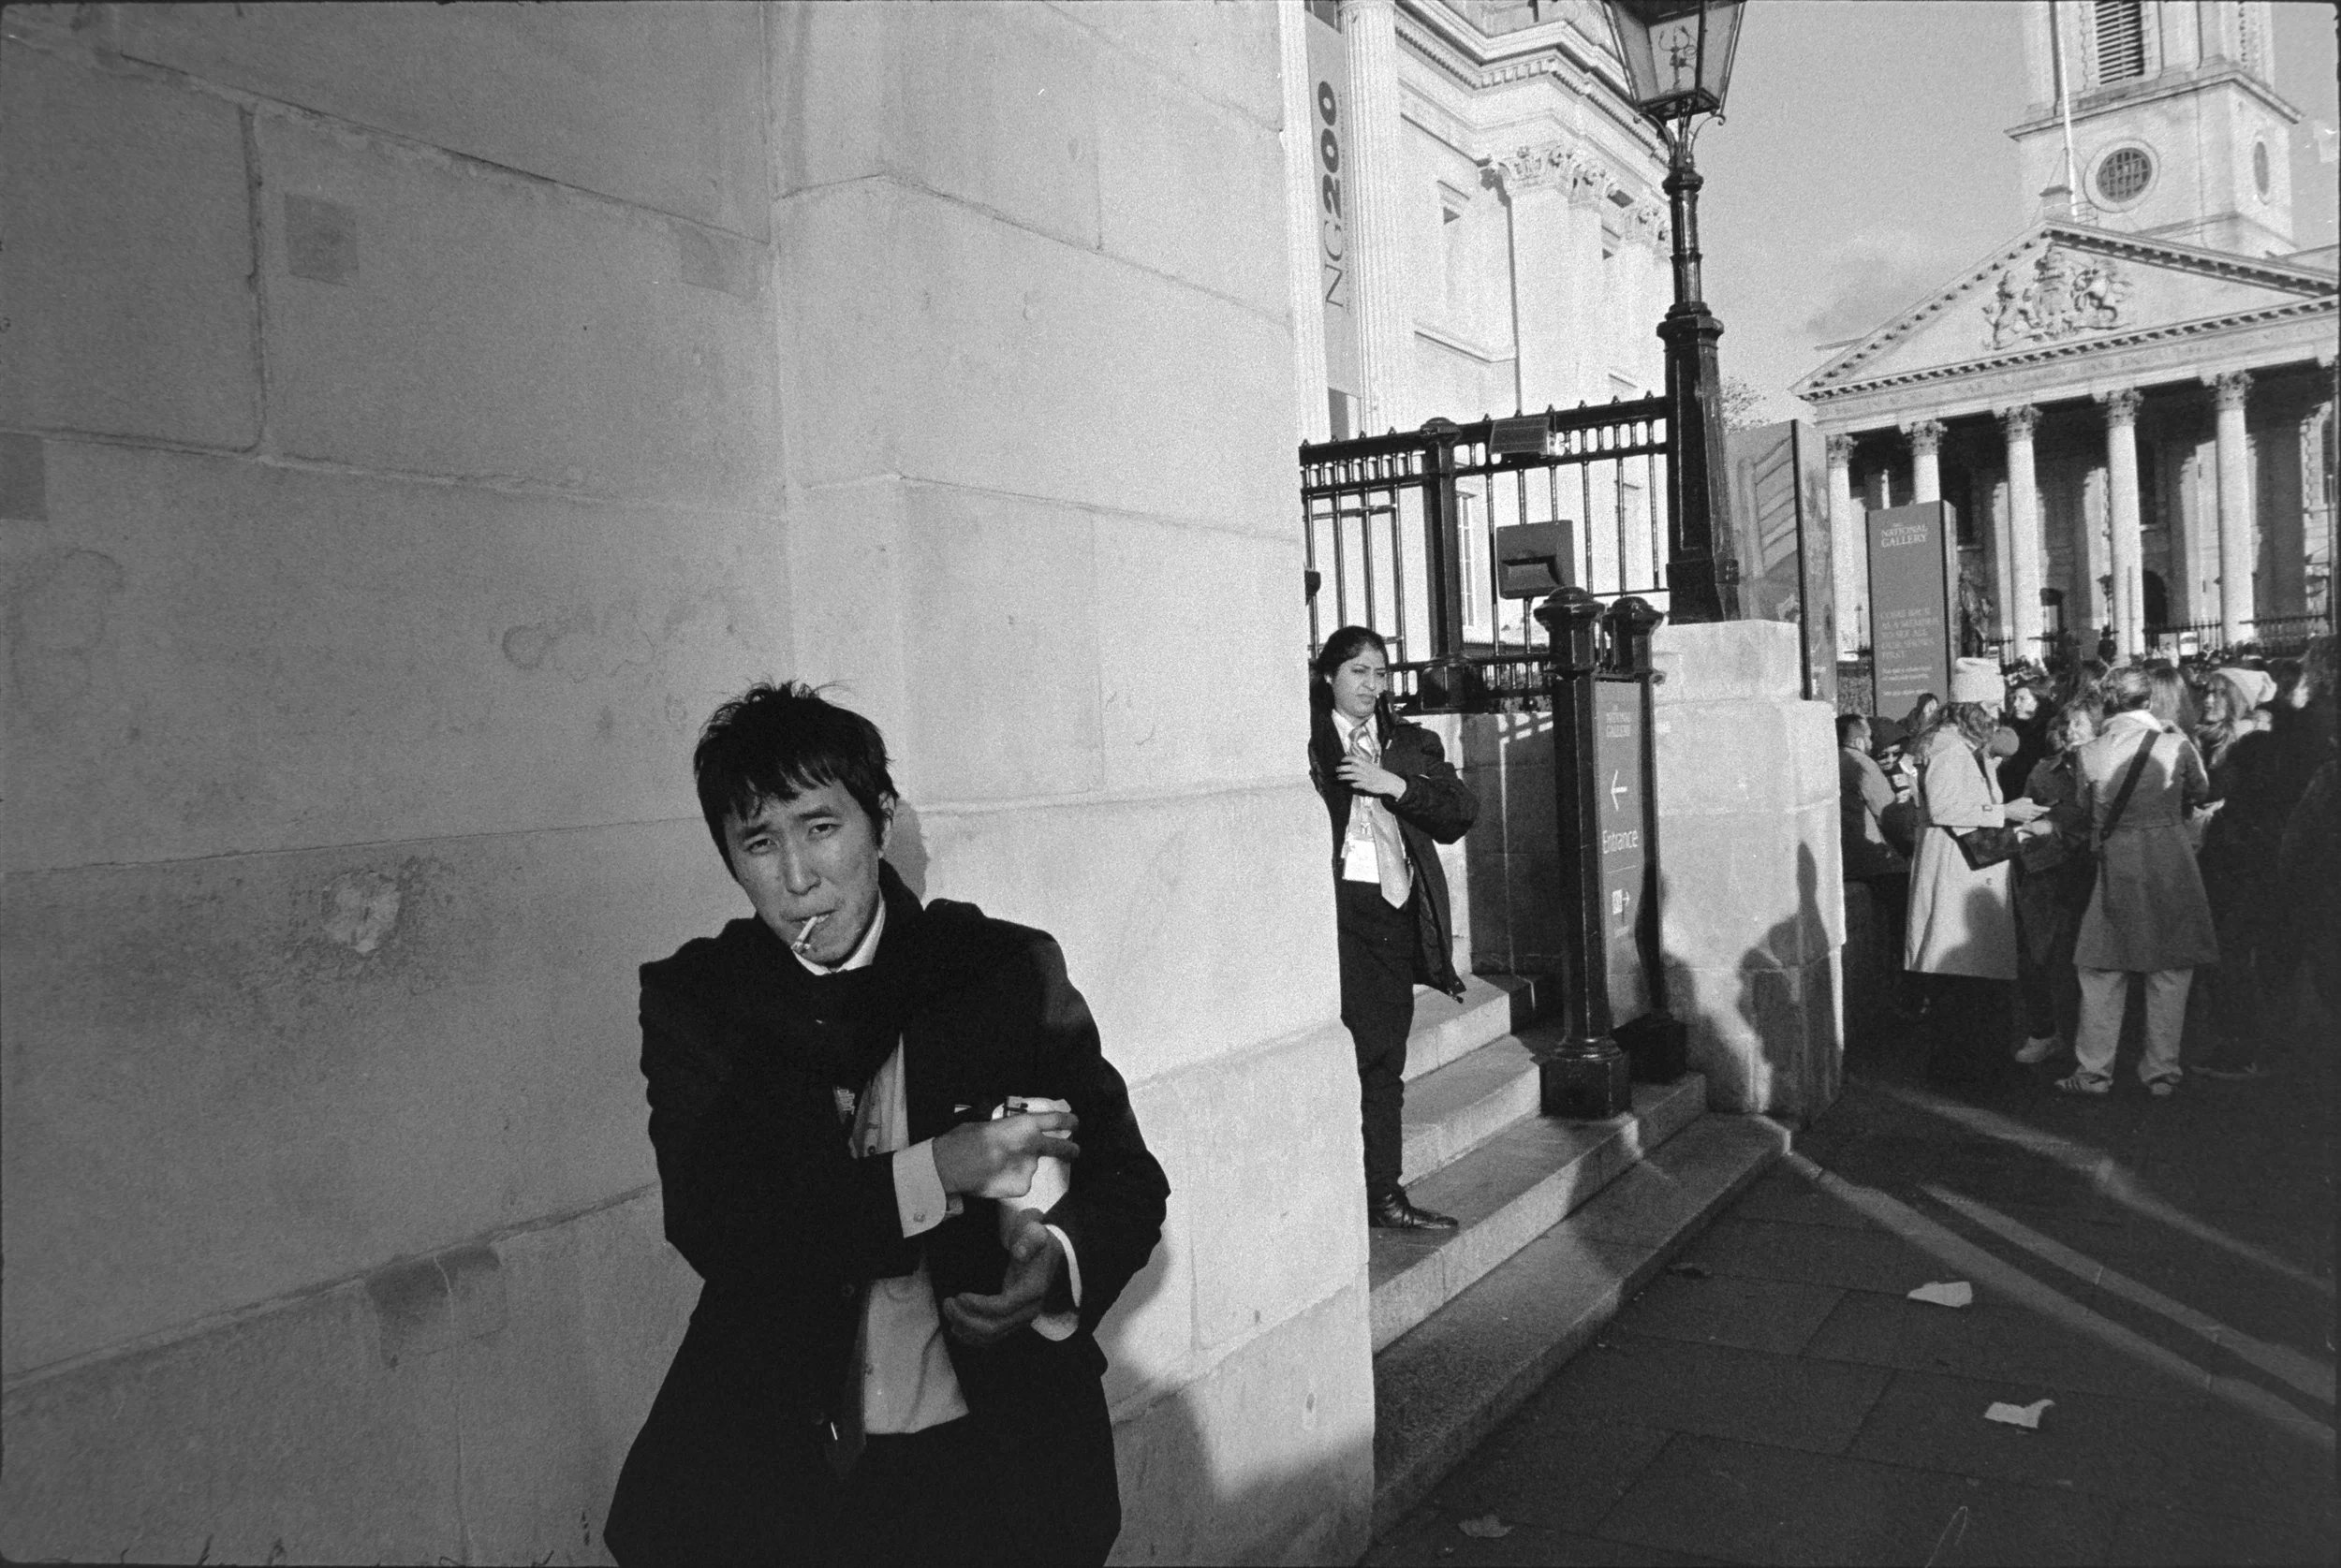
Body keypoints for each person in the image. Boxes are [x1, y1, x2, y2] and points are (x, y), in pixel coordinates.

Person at [605, 682, 1170, 1567]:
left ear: (880, 819)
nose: (798, 877)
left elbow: (1127, 1179)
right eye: (760, 842)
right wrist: (934, 1171)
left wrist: (1056, 1264)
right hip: (788, 1479)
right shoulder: (704, 1004)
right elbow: (720, 1225)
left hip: (990, 1464)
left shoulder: (997, 971)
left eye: (821, 826)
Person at [1308, 627, 1480, 1231]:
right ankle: (1337, 1197)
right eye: (1358, 672)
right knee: (1349, 1056)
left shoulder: (1407, 743)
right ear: (1329, 676)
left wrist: (1395, 785)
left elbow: (1460, 812)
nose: (1371, 685)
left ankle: (1383, 1193)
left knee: (1384, 1059)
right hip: (1333, 914)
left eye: (1380, 674)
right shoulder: (1304, 743)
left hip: (1393, 912)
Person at [2056, 667, 2217, 1099]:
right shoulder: (2175, 742)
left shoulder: (2090, 752)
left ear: (2109, 702)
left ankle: (2094, 1071)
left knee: (2102, 967)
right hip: (2171, 858)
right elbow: (2201, 790)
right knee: (2171, 966)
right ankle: (2162, 1071)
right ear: (2148, 701)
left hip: (2118, 860)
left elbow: (2085, 807)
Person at [1904, 658, 2050, 1084]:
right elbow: (1947, 807)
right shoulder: (1950, 748)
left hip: (1966, 868)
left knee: (1971, 981)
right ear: (1972, 708)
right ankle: (1969, 1073)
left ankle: (1972, 1069)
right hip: (1958, 871)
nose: (1998, 714)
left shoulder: (1960, 745)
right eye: (1991, 706)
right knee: (1965, 983)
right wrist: (2007, 811)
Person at [2011, 700, 2098, 1065]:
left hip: (2094, 874)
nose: (2070, 731)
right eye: (2066, 724)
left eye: (2079, 724)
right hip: (2048, 877)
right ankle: (2044, 1032)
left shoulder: (2112, 770)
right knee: (2038, 957)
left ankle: (2091, 1042)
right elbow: (2027, 816)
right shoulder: (2044, 771)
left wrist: (2060, 831)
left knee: (2089, 965)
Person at [1838, 712, 1910, 1006]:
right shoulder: (1862, 763)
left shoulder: (1831, 760)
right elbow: (1888, 814)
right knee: (1901, 924)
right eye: (1868, 737)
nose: (1871, 743)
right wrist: (1909, 846)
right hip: (1875, 861)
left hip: (1847, 862)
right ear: (1858, 740)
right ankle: (1904, 992)